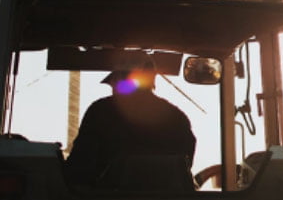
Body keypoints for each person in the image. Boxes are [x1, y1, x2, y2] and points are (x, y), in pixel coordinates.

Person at [65, 64, 197, 188]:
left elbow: (79, 167)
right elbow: (184, 166)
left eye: (114, 84)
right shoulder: (177, 117)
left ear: (119, 80)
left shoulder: (100, 111)